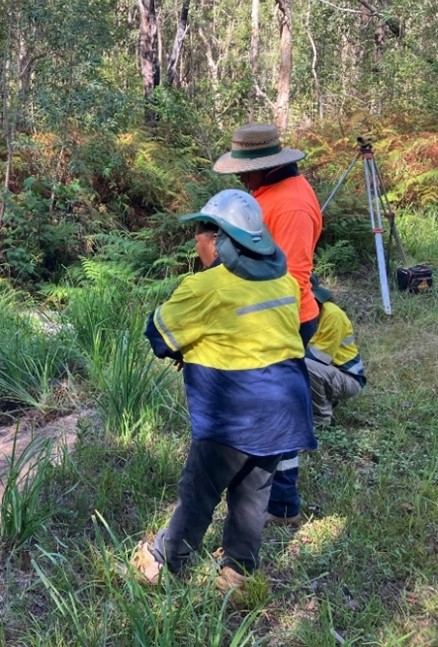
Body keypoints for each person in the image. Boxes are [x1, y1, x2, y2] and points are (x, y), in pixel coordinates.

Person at [133, 189, 316, 594]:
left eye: (199, 234)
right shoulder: (284, 281)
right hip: (285, 409)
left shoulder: (205, 287)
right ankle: (238, 575)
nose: (196, 242)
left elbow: (159, 335)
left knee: (198, 491)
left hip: (234, 411)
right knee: (253, 495)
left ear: (217, 240)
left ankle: (162, 563)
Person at [213, 123, 323, 525]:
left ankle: (281, 504)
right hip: (268, 318)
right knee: (269, 410)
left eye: (245, 171)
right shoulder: (270, 193)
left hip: (284, 321)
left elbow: (292, 278)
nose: (241, 179)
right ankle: (272, 498)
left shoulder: (290, 204)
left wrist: (259, 328)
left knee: (276, 414)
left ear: (266, 166)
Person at [305, 276, 366, 426]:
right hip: (329, 373)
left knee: (303, 365)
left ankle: (321, 419)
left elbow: (319, 357)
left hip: (348, 377)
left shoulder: (332, 315)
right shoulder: (302, 315)